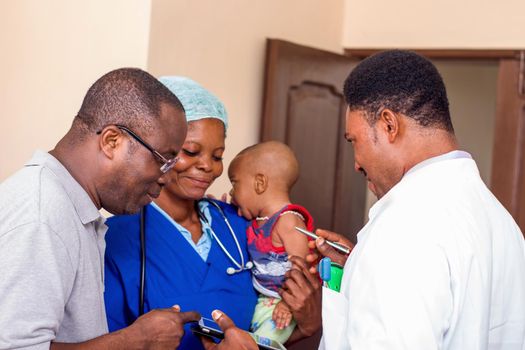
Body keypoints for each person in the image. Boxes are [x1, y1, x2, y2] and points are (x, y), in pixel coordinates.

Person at [0, 68, 253, 350]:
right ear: (112, 141)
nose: (164, 175)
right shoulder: (41, 215)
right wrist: (134, 340)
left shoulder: (73, 210)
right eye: (163, 159)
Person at [287, 50, 525, 349]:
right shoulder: (500, 221)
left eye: (354, 141)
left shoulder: (402, 229)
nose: (356, 163)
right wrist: (360, 272)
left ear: (389, 124)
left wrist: (380, 262)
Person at [227, 141, 314, 344]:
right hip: (264, 300)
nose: (232, 193)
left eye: (235, 183)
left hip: (282, 304)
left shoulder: (288, 220)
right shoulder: (257, 221)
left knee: (258, 345)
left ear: (260, 183)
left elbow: (301, 266)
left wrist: (288, 303)